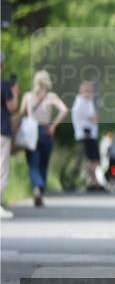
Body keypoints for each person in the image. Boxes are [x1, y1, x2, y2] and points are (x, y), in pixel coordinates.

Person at [18, 70, 68, 206]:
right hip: (46, 131)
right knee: (43, 164)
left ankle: (36, 188)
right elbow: (64, 110)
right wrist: (54, 125)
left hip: (31, 132)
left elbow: (21, 114)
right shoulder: (51, 96)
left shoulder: (27, 97)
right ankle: (40, 189)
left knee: (33, 164)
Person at [71, 81, 102, 190]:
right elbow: (91, 117)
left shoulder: (88, 102)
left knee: (94, 159)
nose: (90, 93)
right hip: (86, 134)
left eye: (90, 90)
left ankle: (93, 181)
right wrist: (95, 117)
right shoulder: (81, 101)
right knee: (91, 159)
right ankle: (93, 182)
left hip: (90, 134)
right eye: (87, 90)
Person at [1, 53, 19, 218]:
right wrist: (15, 92)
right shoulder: (3, 85)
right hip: (1, 131)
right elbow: (12, 107)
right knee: (1, 167)